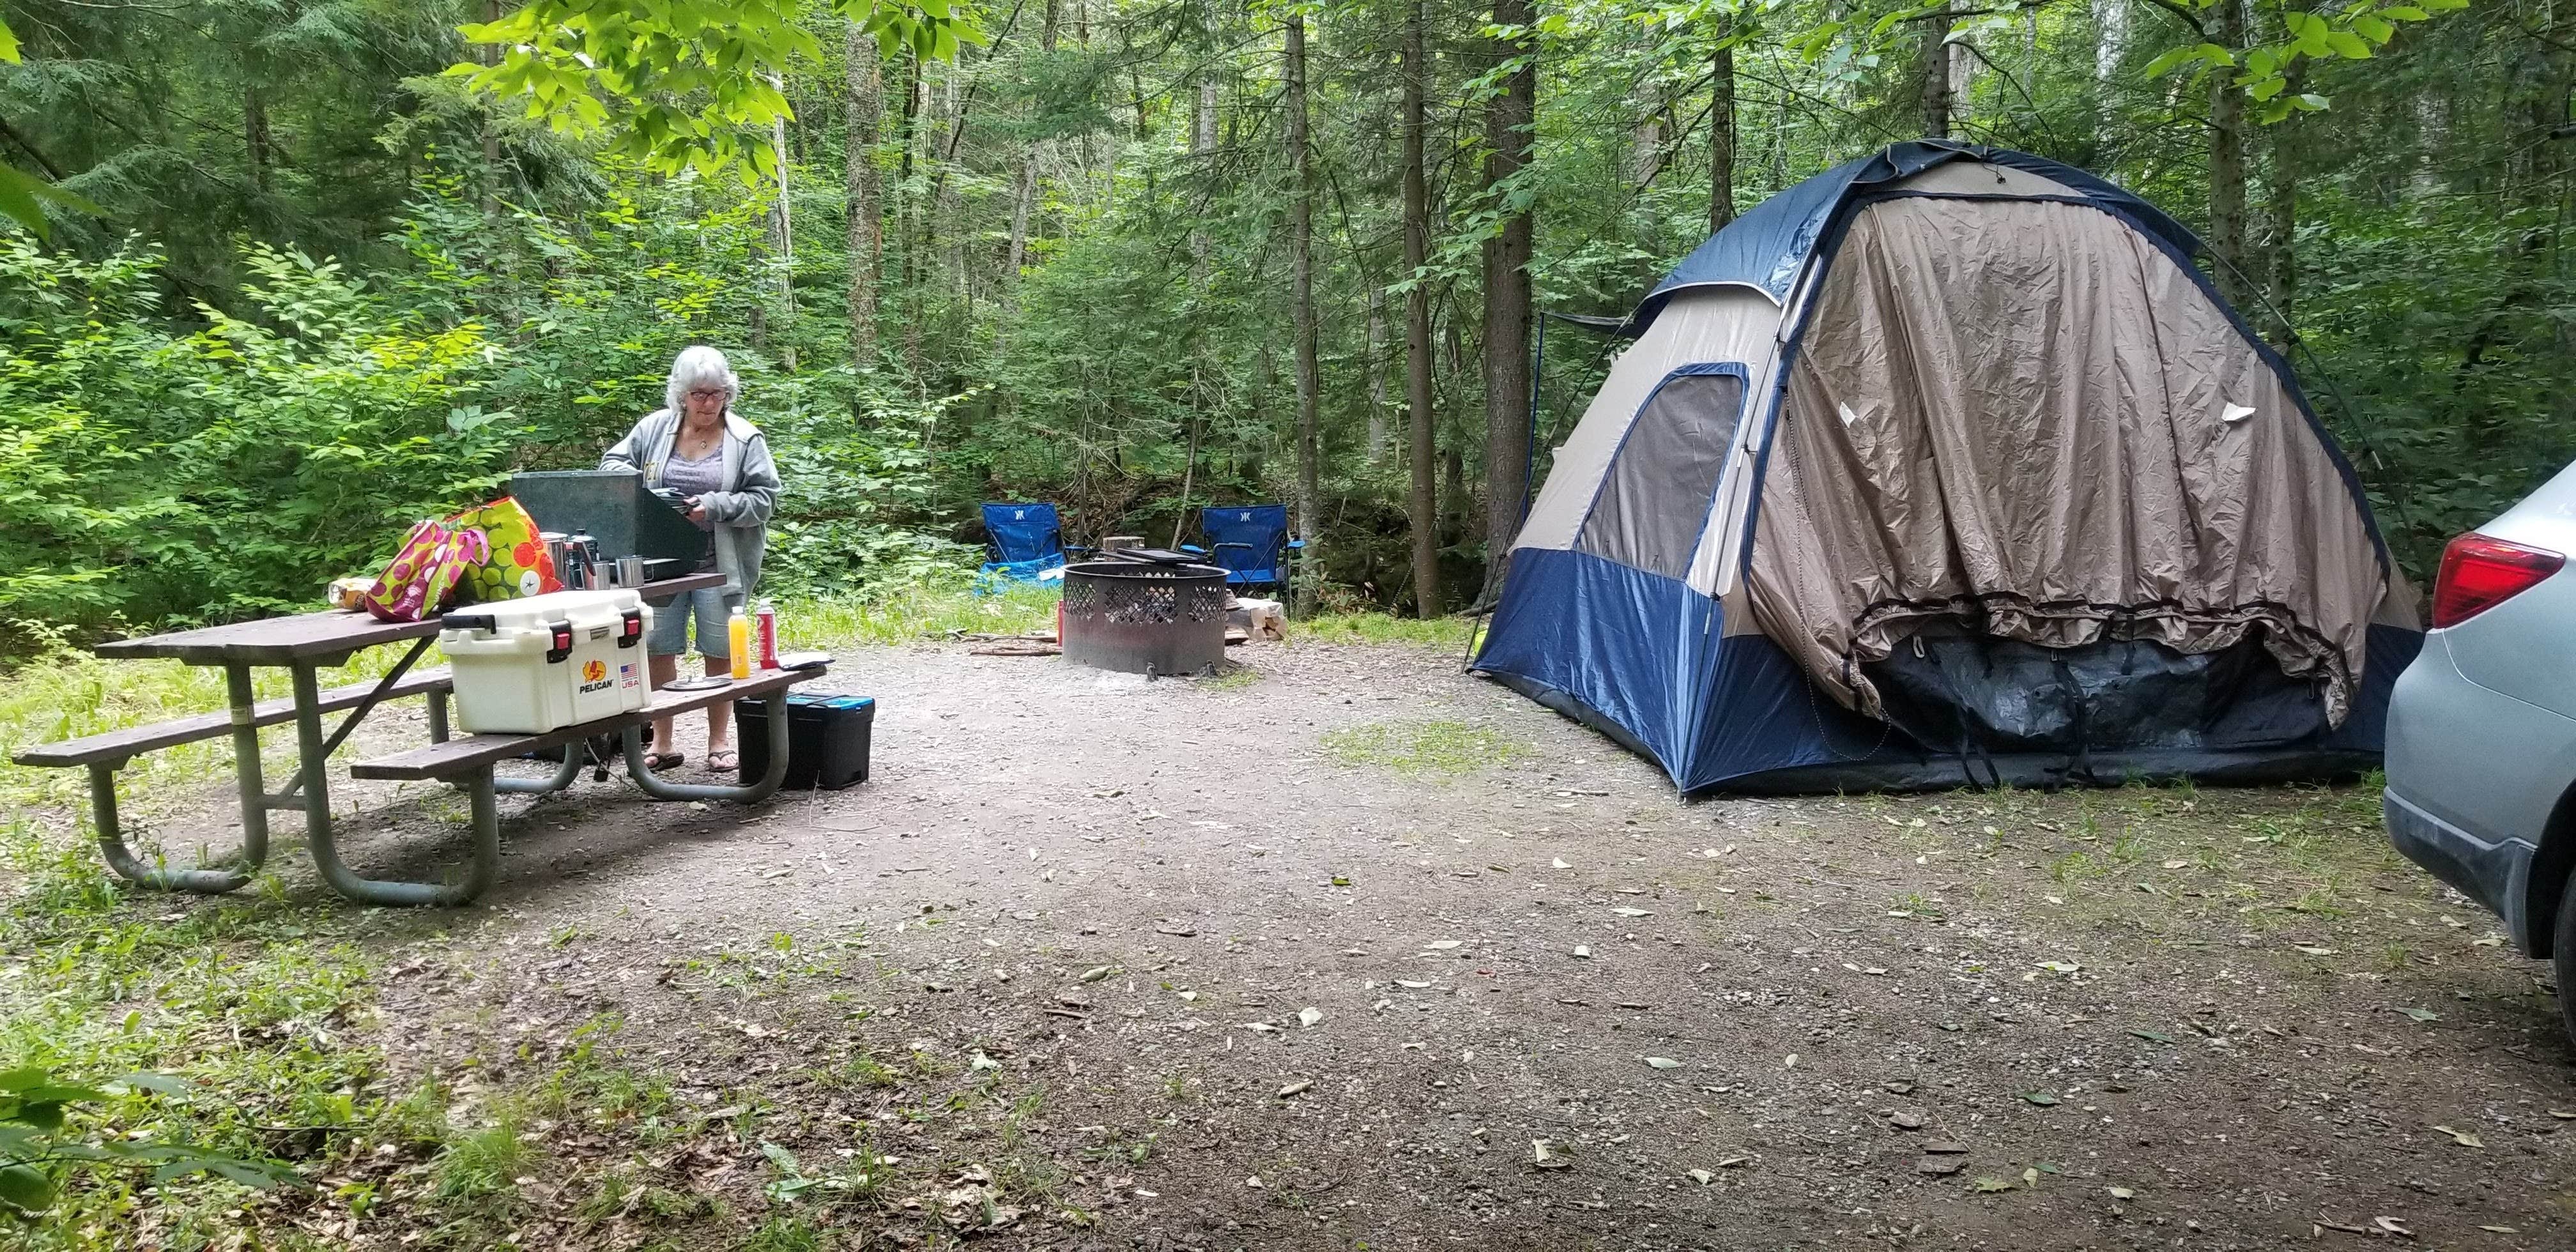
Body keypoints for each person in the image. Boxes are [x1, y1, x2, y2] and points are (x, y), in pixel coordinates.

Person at [600, 346, 780, 774]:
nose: (709, 403)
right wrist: (645, 497)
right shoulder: (654, 430)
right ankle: (663, 743)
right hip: (661, 563)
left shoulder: (745, 438)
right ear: (681, 394)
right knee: (658, 645)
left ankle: (719, 743)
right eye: (699, 394)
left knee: (720, 647)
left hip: (723, 563)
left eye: (717, 393)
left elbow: (764, 500)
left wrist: (714, 505)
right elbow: (611, 464)